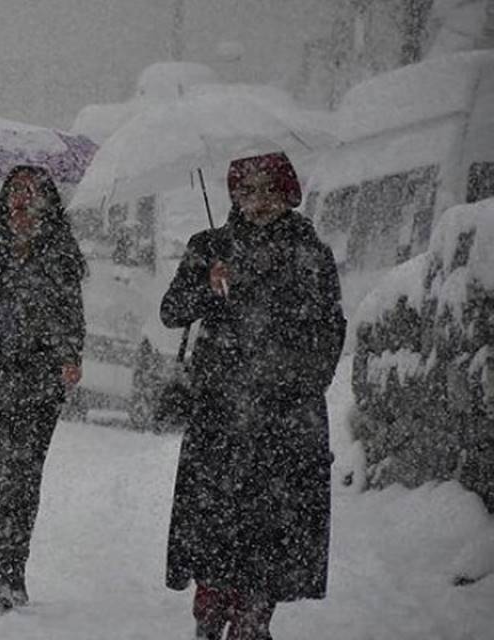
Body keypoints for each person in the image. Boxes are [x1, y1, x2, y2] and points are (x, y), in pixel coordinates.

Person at [160, 152, 345, 640]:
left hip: (284, 420)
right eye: (247, 191)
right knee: (214, 530)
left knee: (269, 536)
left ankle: (252, 623)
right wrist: (207, 283)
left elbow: (330, 330)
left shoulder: (311, 253)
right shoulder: (210, 246)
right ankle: (210, 617)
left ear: (288, 193)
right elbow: (171, 311)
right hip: (220, 418)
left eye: (269, 190)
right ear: (233, 196)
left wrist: (300, 381)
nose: (258, 202)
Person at [0, 165, 87, 614]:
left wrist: (69, 356)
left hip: (40, 381)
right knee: (2, 470)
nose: (23, 199)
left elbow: (71, 313)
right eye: (17, 191)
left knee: (27, 474)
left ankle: (15, 570)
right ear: (4, 196)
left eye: (34, 191)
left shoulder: (60, 251)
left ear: (48, 200)